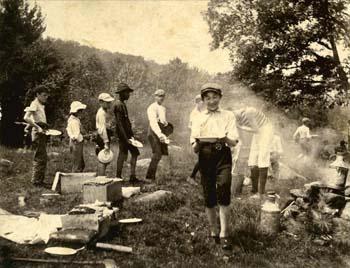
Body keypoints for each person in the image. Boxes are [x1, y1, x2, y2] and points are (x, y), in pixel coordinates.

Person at [191, 83, 239, 250]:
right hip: (205, 156)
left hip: (223, 156)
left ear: (220, 97)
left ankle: (225, 233)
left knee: (224, 188)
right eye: (208, 98)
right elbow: (194, 146)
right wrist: (197, 142)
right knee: (209, 193)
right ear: (203, 100)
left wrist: (224, 138)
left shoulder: (228, 115)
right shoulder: (198, 117)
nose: (211, 101)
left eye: (215, 97)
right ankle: (213, 230)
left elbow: (233, 142)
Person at [233, 106, 274, 199]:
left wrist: (240, 126)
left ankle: (261, 193)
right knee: (252, 161)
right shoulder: (237, 118)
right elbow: (241, 135)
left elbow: (256, 129)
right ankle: (254, 191)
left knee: (262, 160)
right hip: (258, 133)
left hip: (266, 130)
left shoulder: (248, 112)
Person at [113, 83, 140, 183]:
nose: (129, 95)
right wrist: (126, 138)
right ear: (122, 93)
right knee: (123, 154)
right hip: (123, 135)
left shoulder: (122, 104)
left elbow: (126, 122)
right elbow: (119, 124)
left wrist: (131, 135)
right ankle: (118, 177)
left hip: (128, 135)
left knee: (134, 153)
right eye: (127, 93)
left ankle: (132, 176)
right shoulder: (118, 105)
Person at [23, 85, 49, 187]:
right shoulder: (34, 103)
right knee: (40, 157)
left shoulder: (40, 104)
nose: (46, 97)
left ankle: (39, 180)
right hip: (39, 132)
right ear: (37, 94)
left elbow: (33, 119)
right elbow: (26, 117)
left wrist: (29, 126)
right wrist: (37, 127)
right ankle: (36, 182)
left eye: (47, 95)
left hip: (41, 130)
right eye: (44, 95)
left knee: (43, 157)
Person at [145, 89, 172, 181]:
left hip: (161, 131)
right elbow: (153, 122)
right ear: (155, 97)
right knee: (157, 153)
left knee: (160, 155)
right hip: (153, 131)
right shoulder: (152, 107)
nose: (161, 98)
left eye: (163, 96)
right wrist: (160, 134)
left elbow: (162, 120)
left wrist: (166, 124)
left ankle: (152, 176)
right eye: (159, 96)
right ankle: (149, 177)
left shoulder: (163, 108)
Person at [95, 93, 115, 176]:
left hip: (103, 137)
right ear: (101, 102)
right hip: (102, 138)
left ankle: (102, 175)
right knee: (103, 159)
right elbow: (102, 129)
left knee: (105, 159)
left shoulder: (104, 111)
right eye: (107, 102)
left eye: (109, 102)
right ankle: (101, 177)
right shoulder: (101, 113)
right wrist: (106, 142)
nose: (109, 104)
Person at [188, 94, 204, 184]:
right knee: (202, 158)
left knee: (203, 158)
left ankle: (201, 179)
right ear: (197, 102)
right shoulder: (194, 113)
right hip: (196, 139)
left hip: (201, 138)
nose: (203, 104)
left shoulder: (201, 112)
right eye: (201, 102)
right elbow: (191, 126)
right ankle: (191, 177)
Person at [66, 101, 87, 172]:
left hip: (75, 142)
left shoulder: (73, 119)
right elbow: (77, 136)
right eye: (80, 111)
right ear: (76, 111)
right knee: (77, 164)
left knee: (80, 163)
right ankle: (75, 177)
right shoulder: (74, 122)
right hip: (76, 143)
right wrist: (85, 137)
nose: (81, 112)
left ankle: (78, 175)